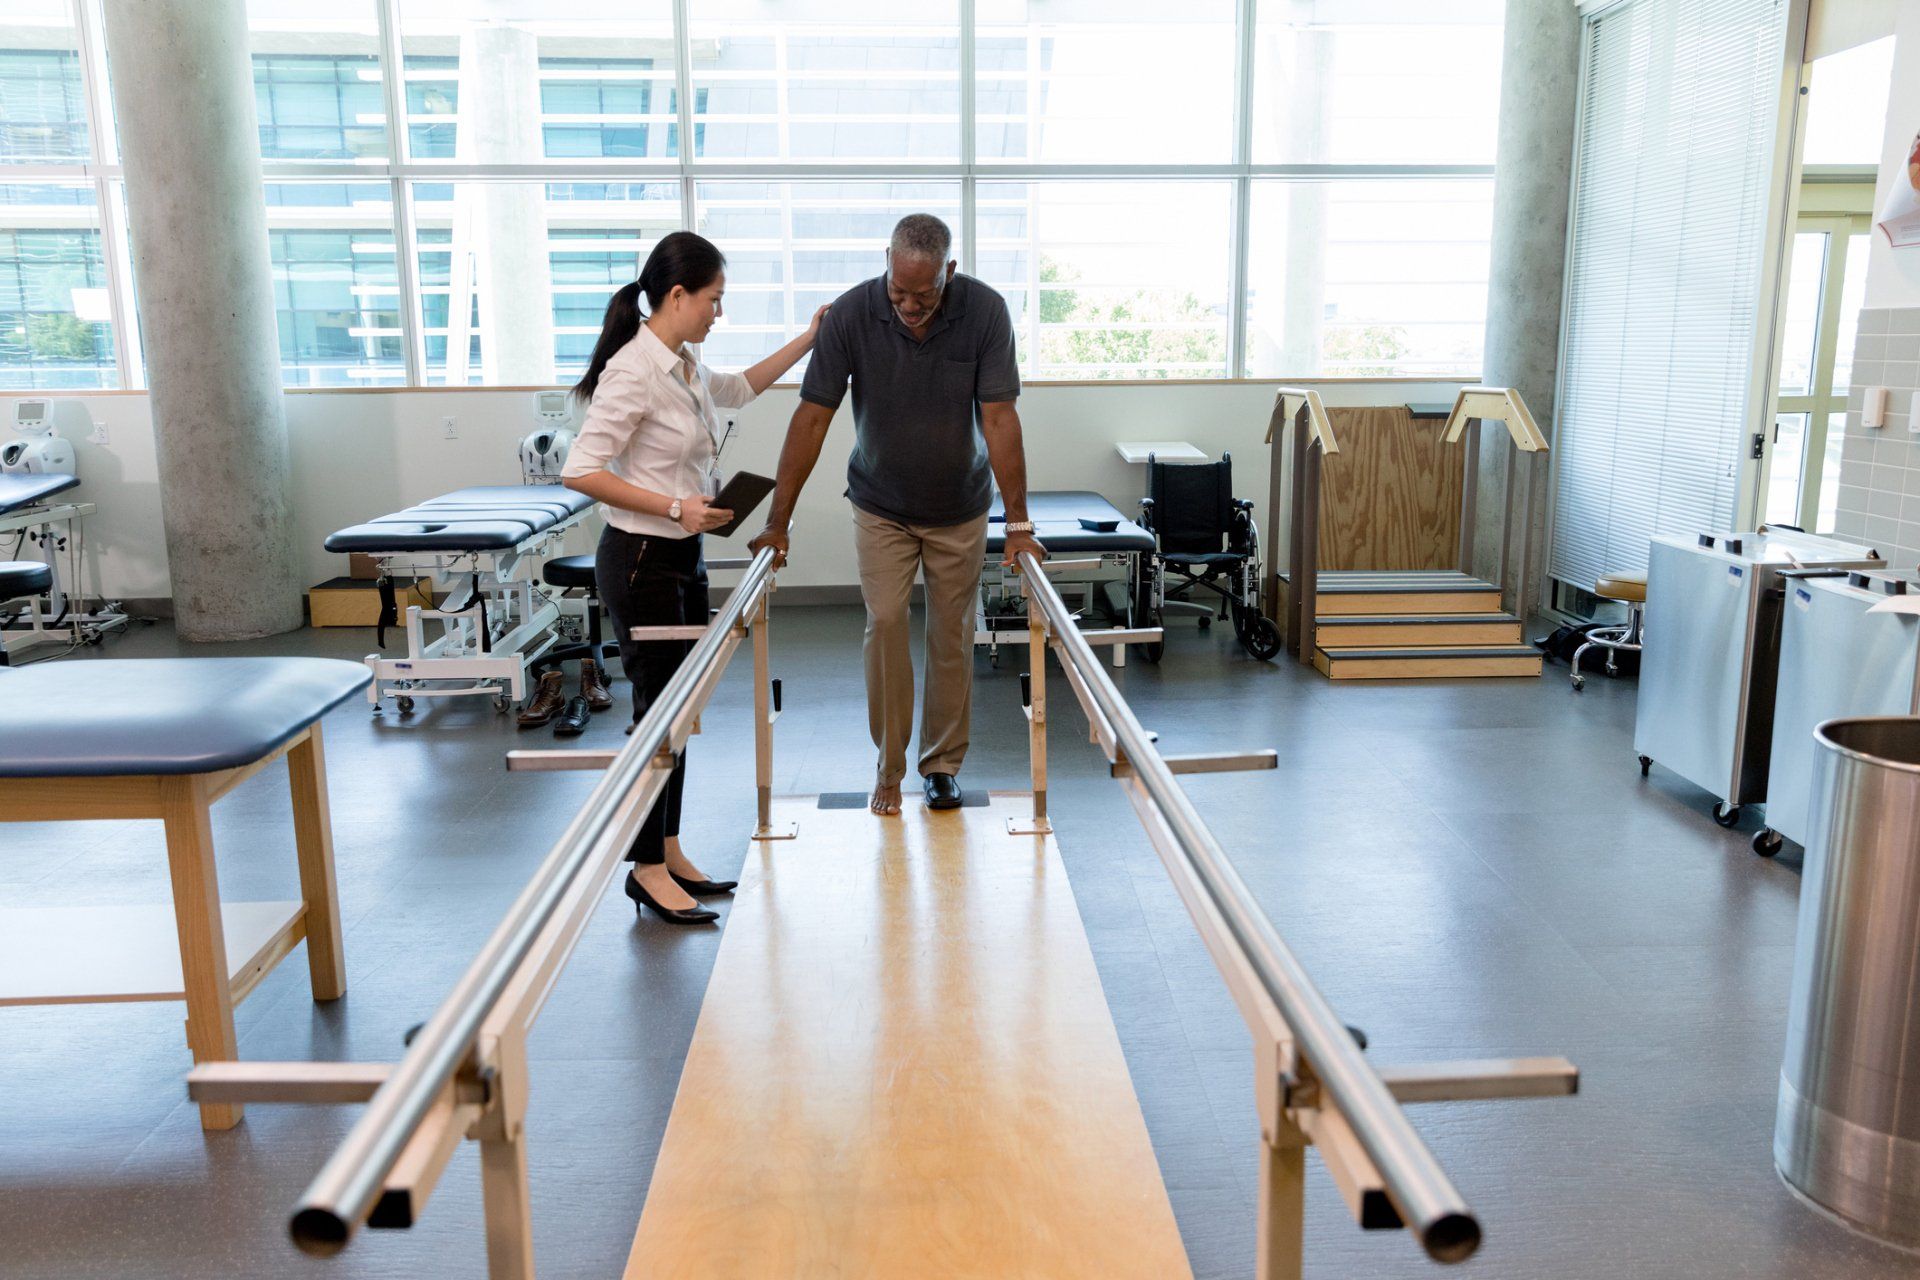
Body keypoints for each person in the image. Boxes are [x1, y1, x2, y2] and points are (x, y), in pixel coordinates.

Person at [563, 231, 825, 925]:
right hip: (642, 559)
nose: (718, 313)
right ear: (676, 296)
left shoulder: (682, 362)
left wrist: (808, 339)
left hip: (681, 555)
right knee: (656, 718)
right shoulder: (632, 371)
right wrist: (677, 505)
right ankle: (646, 869)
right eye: (713, 300)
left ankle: (669, 848)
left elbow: (739, 388)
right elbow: (581, 471)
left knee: (680, 716)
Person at [749, 214, 1045, 817]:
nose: (909, 306)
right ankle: (888, 765)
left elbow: (1000, 419)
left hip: (959, 506)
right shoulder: (854, 315)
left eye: (925, 294)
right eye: (899, 291)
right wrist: (778, 521)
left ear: (949, 273)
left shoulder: (985, 312)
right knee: (884, 623)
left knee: (950, 637)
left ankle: (940, 765)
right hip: (880, 503)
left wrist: (1017, 523)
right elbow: (812, 417)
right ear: (886, 261)